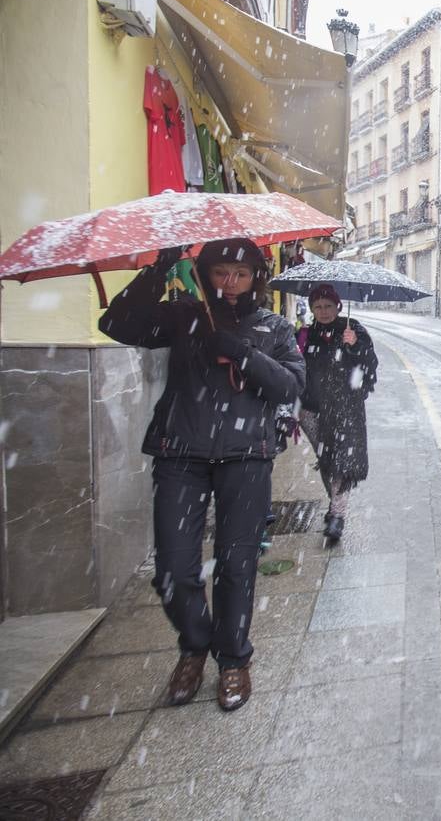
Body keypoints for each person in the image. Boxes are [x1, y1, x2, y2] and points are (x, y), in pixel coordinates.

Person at [98, 238, 304, 712]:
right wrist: (158, 269)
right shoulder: (185, 316)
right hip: (181, 454)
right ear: (205, 273)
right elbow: (116, 323)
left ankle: (232, 659)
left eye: (241, 274)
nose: (229, 283)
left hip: (246, 457)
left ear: (257, 278)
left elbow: (292, 385)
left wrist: (242, 352)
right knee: (173, 571)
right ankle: (194, 646)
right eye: (220, 273)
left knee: (237, 566)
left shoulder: (274, 327)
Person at [295, 285, 377, 541]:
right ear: (311, 309)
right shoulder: (305, 335)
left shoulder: (354, 330)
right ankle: (336, 507)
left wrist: (354, 347)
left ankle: (337, 516)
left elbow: (370, 366)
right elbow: (294, 367)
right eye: (318, 307)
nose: (324, 311)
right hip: (309, 409)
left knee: (340, 460)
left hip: (344, 407)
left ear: (338, 306)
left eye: (328, 306)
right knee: (327, 459)